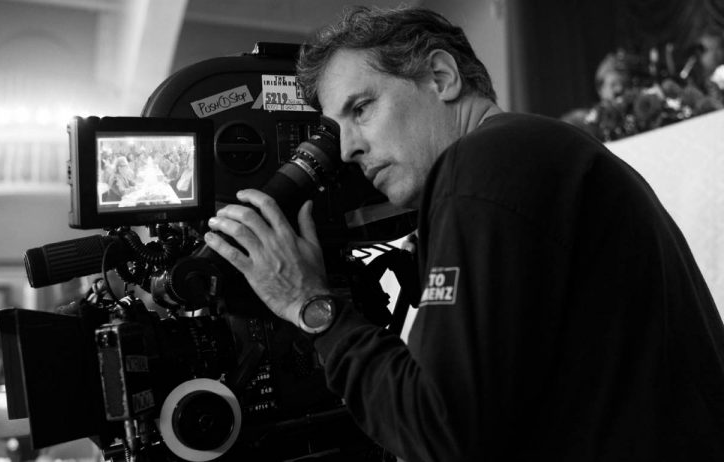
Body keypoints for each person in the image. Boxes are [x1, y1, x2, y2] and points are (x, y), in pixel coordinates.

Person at [203, 6, 724, 461]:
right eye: (336, 130)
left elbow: (441, 432)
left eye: (361, 109)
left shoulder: (483, 164)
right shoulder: (544, 151)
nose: (346, 150)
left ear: (441, 76)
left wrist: (309, 303)